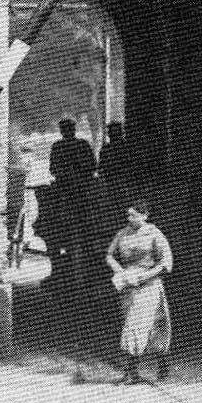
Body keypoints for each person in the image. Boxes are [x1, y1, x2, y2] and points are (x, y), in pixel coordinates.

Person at [106, 199, 173, 384]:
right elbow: (109, 255)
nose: (130, 218)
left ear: (144, 216)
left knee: (139, 325)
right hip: (129, 285)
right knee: (138, 324)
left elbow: (166, 262)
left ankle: (134, 371)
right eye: (128, 215)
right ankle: (153, 366)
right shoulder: (123, 233)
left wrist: (146, 276)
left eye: (134, 215)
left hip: (149, 285)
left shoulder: (154, 234)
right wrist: (120, 271)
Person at [50, 118, 96, 235]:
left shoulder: (81, 144)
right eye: (65, 129)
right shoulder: (59, 146)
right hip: (67, 188)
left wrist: (76, 174)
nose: (67, 131)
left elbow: (92, 166)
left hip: (79, 189)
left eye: (69, 128)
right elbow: (53, 168)